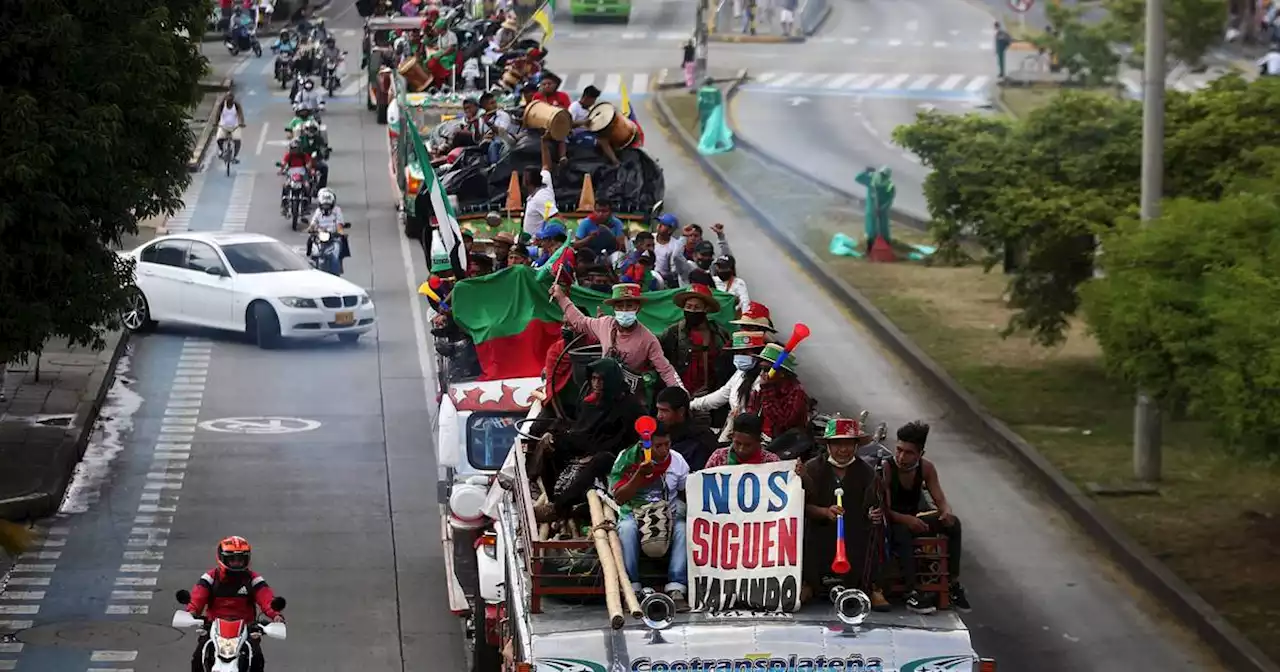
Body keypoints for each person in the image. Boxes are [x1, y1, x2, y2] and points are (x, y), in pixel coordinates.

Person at [532, 358, 646, 522]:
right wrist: (552, 433)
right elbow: (579, 428)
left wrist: (593, 453)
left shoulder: (630, 406)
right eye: (593, 379)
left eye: (601, 379)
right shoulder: (591, 402)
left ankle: (558, 508)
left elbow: (629, 442)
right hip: (587, 447)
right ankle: (553, 498)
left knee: (601, 460)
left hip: (613, 457)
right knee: (550, 444)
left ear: (611, 380)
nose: (596, 384)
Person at [799, 418, 887, 609]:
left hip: (855, 529)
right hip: (819, 529)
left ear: (856, 446)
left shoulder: (867, 472)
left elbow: (872, 505)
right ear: (828, 446)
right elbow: (802, 505)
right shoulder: (812, 468)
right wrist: (823, 512)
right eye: (837, 444)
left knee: (874, 535)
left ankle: (872, 587)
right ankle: (808, 584)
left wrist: (874, 514)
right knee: (807, 539)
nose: (843, 450)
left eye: (848, 444)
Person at [882, 421, 970, 614]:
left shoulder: (927, 468)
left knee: (954, 524)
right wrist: (906, 519)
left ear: (920, 454)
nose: (901, 456)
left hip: (915, 519)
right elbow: (884, 510)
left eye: (908, 452)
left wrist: (945, 511)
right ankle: (912, 591)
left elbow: (940, 500)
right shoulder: (887, 468)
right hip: (893, 521)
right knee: (902, 532)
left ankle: (953, 583)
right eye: (899, 450)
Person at [609, 420, 691, 611]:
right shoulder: (626, 459)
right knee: (627, 530)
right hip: (633, 511)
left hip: (667, 510)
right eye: (658, 446)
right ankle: (632, 587)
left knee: (682, 528)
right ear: (643, 445)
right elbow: (620, 498)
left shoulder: (677, 461)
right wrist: (639, 475)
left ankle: (677, 587)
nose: (664, 450)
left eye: (667, 445)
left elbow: (686, 491)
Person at [550, 282, 685, 391]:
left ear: (638, 308)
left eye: (629, 306)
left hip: (629, 395)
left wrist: (681, 393)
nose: (625, 310)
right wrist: (562, 298)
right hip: (602, 390)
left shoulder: (648, 339)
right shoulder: (605, 324)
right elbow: (580, 322)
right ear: (614, 308)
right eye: (620, 306)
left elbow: (666, 370)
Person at [184, 537, 284, 672]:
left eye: (240, 559)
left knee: (257, 657)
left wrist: (276, 615)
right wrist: (191, 612)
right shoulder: (210, 578)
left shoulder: (253, 579)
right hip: (214, 629)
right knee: (198, 657)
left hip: (245, 630)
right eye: (232, 559)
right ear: (222, 558)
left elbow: (266, 599)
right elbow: (197, 598)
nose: (237, 563)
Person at [689, 330, 769, 442]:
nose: (740, 357)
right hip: (733, 426)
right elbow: (721, 395)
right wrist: (692, 404)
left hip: (751, 434)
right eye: (737, 353)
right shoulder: (740, 374)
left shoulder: (763, 380)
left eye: (745, 353)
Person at [659, 284, 731, 396]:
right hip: (682, 395)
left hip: (714, 395)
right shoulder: (672, 333)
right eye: (688, 306)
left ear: (706, 309)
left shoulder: (719, 334)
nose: (692, 310)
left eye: (697, 307)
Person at [744, 343, 811, 441]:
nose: (762, 374)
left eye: (766, 369)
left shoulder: (796, 392)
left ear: (782, 373)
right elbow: (751, 413)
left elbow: (783, 424)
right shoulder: (759, 388)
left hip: (786, 445)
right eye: (761, 369)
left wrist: (767, 391)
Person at [654, 386, 718, 472]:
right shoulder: (657, 435)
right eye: (658, 410)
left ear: (681, 411)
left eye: (664, 411)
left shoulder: (700, 442)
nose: (659, 416)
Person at [567, 86, 620, 166]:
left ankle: (607, 160)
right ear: (586, 98)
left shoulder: (590, 108)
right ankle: (615, 162)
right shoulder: (574, 107)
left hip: (590, 132)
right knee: (603, 142)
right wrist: (583, 122)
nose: (594, 102)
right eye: (593, 100)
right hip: (578, 135)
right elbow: (568, 124)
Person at [665, 224, 732, 287]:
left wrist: (721, 236)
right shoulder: (688, 267)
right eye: (703, 254)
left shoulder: (711, 266)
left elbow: (726, 258)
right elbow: (677, 256)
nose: (706, 258)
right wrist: (684, 236)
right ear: (694, 256)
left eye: (709, 254)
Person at [704, 413, 778, 467]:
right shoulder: (718, 458)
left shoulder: (772, 462)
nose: (741, 449)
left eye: (748, 445)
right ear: (732, 437)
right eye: (737, 443)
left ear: (758, 441)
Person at [532, 72, 572, 168]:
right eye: (544, 84)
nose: (546, 86)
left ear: (555, 85)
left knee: (561, 134)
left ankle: (562, 156)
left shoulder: (563, 96)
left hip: (558, 124)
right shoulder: (537, 97)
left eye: (549, 84)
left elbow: (566, 112)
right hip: (542, 125)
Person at [307, 188, 346, 272]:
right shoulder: (318, 211)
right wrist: (311, 228)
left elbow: (340, 223)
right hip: (320, 236)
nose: (326, 207)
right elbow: (313, 222)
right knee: (312, 249)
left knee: (335, 257)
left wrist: (340, 231)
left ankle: (336, 273)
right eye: (324, 205)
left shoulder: (337, 210)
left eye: (328, 205)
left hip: (333, 237)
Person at [277, 138, 313, 214]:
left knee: (307, 186)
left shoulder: (304, 156)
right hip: (291, 173)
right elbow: (284, 163)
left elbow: (309, 163)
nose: (295, 151)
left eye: (297, 149)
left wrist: (310, 169)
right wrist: (281, 170)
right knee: (285, 186)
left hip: (302, 173)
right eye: (294, 148)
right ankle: (284, 204)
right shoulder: (288, 155)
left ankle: (306, 204)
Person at [479, 92, 515, 165]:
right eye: (491, 103)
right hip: (489, 142)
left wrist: (489, 123)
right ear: (484, 106)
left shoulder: (503, 115)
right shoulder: (481, 118)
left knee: (495, 144)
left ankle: (494, 167)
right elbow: (481, 136)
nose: (495, 105)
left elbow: (501, 132)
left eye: (495, 102)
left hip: (505, 142)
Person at [521, 168, 558, 237]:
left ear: (527, 180)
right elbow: (546, 166)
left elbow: (557, 219)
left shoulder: (540, 198)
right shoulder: (533, 196)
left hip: (538, 245)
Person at [651, 213, 683, 286]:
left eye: (663, 224)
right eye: (659, 223)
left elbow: (674, 271)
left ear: (670, 230)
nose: (659, 225)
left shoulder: (675, 245)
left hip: (663, 281)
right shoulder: (650, 238)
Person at [215, 92, 246, 164]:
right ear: (225, 98)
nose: (229, 100)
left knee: (237, 140)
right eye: (228, 98)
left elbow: (240, 114)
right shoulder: (222, 105)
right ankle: (221, 150)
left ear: (233, 99)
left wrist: (242, 123)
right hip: (223, 126)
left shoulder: (236, 105)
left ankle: (235, 156)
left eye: (231, 99)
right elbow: (218, 113)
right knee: (219, 138)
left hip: (234, 127)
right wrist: (216, 122)